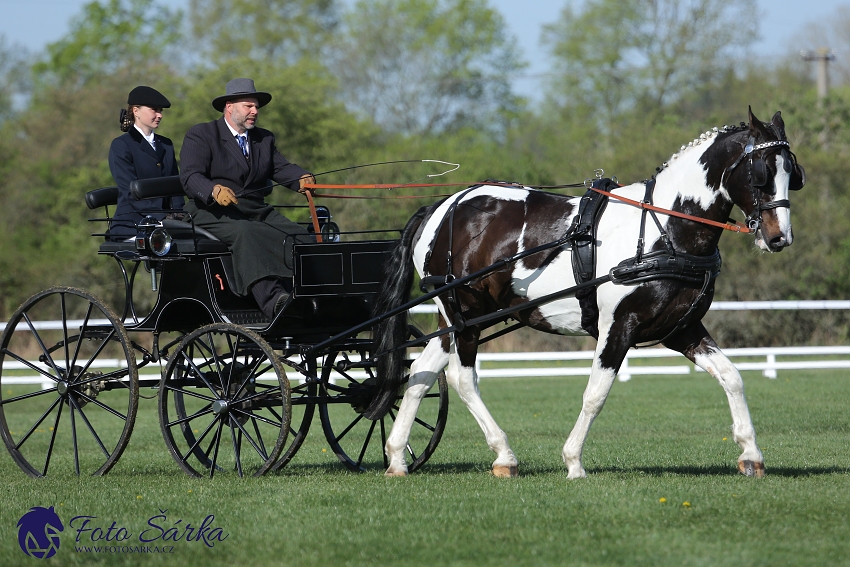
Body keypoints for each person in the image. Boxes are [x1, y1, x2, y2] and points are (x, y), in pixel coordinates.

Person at [179, 78, 316, 319]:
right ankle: (274, 301)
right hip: (209, 213)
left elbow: (280, 168)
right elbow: (190, 175)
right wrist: (212, 190)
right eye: (248, 106)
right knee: (247, 233)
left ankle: (307, 293)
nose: (255, 111)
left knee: (301, 237)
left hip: (254, 210)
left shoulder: (264, 138)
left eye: (256, 107)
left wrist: (302, 178)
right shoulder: (202, 134)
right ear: (229, 106)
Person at [108, 86, 183, 241]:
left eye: (160, 111)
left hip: (168, 222)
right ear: (136, 111)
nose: (159, 115)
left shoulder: (166, 145)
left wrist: (180, 214)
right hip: (132, 223)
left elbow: (175, 186)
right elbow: (129, 191)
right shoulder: (121, 145)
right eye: (154, 110)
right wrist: (162, 217)